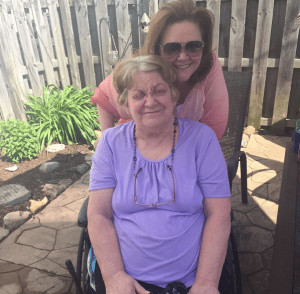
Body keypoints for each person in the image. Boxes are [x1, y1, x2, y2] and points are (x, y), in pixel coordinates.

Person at [88, 55, 231, 294]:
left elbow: (219, 213)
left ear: (174, 95)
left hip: (190, 283)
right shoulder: (111, 143)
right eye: (139, 95)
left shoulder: (201, 140)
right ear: (126, 102)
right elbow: (98, 215)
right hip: (125, 282)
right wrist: (114, 277)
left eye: (159, 90)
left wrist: (206, 282)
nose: (150, 101)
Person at [91, 0, 228, 141]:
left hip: (185, 154)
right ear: (157, 50)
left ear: (204, 48)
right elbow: (103, 96)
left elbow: (214, 129)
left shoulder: (208, 64)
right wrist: (107, 144)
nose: (183, 57)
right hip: (138, 152)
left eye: (194, 46)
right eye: (172, 48)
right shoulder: (141, 72)